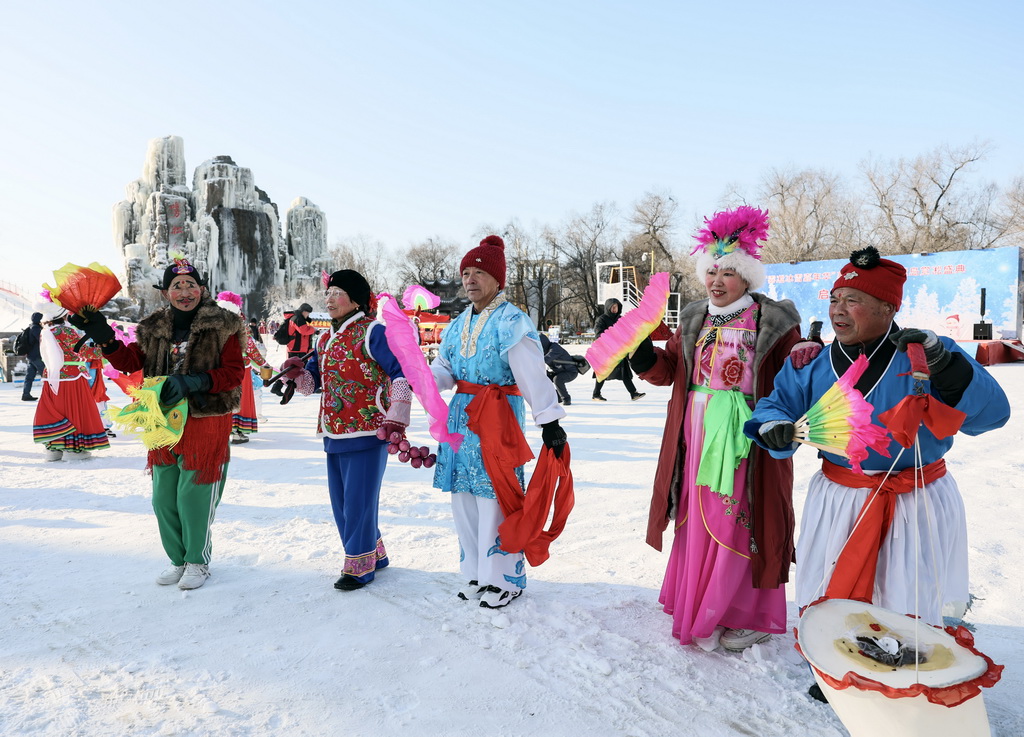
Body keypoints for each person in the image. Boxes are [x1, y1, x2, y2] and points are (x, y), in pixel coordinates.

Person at [745, 246, 1011, 630]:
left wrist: (947, 369)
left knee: (908, 595)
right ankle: (836, 665)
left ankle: (906, 672)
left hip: (916, 498)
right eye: (834, 299)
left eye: (853, 300)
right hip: (840, 499)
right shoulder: (811, 362)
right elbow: (774, 406)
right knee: (830, 589)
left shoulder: (929, 356)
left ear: (888, 309)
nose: (837, 309)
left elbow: (994, 415)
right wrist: (774, 428)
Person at [629, 206, 802, 653]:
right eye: (711, 271)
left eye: (728, 272)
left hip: (746, 435)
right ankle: (698, 599)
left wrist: (804, 357)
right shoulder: (693, 318)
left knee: (738, 518)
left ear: (747, 277)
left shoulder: (774, 320)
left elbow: (792, 378)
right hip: (695, 430)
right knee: (695, 515)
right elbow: (672, 371)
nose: (716, 281)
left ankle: (743, 612)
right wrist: (645, 359)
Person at [70, 256, 245, 590]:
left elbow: (234, 373)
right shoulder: (153, 327)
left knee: (193, 494)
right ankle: (178, 560)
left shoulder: (225, 324)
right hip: (160, 415)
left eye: (190, 284)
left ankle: (198, 560)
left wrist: (192, 382)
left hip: (204, 415)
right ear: (166, 292)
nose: (184, 291)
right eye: (176, 285)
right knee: (163, 496)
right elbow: (130, 361)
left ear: (202, 289)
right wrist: (104, 336)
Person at [430, 235, 568, 609]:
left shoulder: (513, 322)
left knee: (497, 497)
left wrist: (549, 420)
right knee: (463, 497)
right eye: (466, 273)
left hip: (497, 419)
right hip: (460, 420)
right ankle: (474, 573)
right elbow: (445, 368)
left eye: (479, 272)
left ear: (497, 279)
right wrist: (425, 380)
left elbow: (531, 374)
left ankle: (504, 578)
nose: (470, 279)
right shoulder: (458, 323)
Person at [284, 270, 413, 591]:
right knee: (343, 503)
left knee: (358, 502)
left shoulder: (374, 332)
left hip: (370, 431)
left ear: (355, 299)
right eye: (327, 293)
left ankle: (358, 567)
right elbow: (314, 383)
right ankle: (375, 554)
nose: (328, 299)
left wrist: (397, 416)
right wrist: (295, 373)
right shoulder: (325, 338)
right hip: (334, 430)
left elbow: (401, 373)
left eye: (336, 292)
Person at [32, 304, 111, 461]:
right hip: (72, 377)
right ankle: (73, 450)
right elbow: (82, 351)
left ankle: (54, 448)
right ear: (63, 316)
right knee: (73, 409)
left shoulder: (46, 332)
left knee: (57, 410)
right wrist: (105, 349)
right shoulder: (66, 331)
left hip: (52, 377)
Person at [592, 298, 645, 402]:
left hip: (619, 350)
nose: (615, 309)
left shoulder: (620, 319)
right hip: (606, 351)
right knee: (603, 372)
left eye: (616, 307)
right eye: (613, 307)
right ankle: (596, 394)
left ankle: (633, 393)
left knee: (624, 372)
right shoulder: (602, 319)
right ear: (608, 307)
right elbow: (598, 335)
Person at [271, 303, 316, 396]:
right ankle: (277, 386)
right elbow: (304, 330)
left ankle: (282, 386)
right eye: (307, 313)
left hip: (298, 349)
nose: (308, 315)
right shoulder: (297, 318)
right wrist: (314, 330)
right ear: (304, 311)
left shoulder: (298, 318)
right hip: (296, 349)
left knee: (296, 369)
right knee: (290, 370)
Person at [539, 333, 579, 405]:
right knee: (543, 377)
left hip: (571, 372)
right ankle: (557, 396)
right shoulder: (544, 351)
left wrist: (536, 361)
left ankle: (566, 399)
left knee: (557, 379)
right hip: (560, 371)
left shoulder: (555, 348)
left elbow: (547, 358)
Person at [20, 312, 44, 401]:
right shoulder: (36, 328)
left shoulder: (31, 327)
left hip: (31, 356)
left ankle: (26, 394)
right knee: (46, 376)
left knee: (29, 376)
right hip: (36, 356)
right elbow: (41, 340)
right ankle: (48, 395)